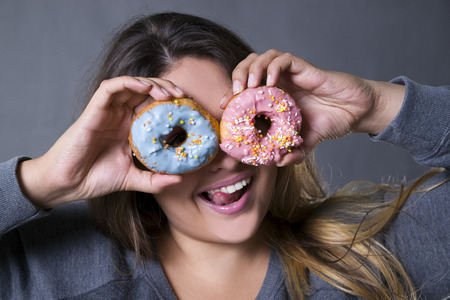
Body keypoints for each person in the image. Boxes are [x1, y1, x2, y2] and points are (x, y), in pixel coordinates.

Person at [1, 12, 448, 300]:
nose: (227, 159)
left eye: (237, 123)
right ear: (137, 155)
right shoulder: (50, 274)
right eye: (184, 135)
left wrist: (376, 105)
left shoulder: (369, 262)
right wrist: (44, 180)